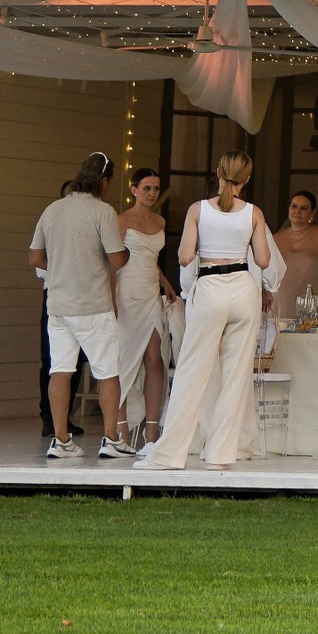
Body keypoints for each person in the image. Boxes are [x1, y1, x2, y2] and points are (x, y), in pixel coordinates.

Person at [136, 148, 274, 471]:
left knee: (192, 372)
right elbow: (264, 261)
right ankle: (220, 456)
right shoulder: (253, 212)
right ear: (247, 179)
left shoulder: (198, 210)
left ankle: (170, 454)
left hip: (210, 286)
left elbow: (184, 257)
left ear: (217, 172)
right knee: (236, 377)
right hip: (242, 287)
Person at [28, 153, 129, 459]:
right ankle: (112, 440)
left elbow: (35, 258)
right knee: (107, 372)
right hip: (92, 305)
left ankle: (61, 441)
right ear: (104, 180)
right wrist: (126, 253)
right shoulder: (103, 212)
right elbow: (116, 259)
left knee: (59, 372)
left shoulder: (53, 210)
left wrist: (59, 269)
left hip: (58, 305)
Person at [112, 168, 179, 448]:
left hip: (151, 291)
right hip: (127, 292)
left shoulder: (160, 220)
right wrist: (110, 299)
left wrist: (166, 283)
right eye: (147, 188)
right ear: (134, 189)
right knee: (124, 361)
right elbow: (111, 261)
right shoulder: (121, 220)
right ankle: (120, 429)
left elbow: (151, 259)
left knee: (155, 359)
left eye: (155, 188)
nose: (152, 193)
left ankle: (152, 432)